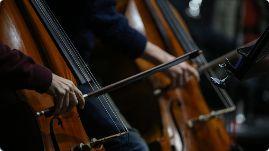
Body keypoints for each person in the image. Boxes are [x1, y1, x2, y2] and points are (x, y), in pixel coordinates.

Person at [46, 0, 199, 151]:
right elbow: (104, 19)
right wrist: (166, 60)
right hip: (66, 65)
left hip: (76, 64)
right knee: (133, 146)